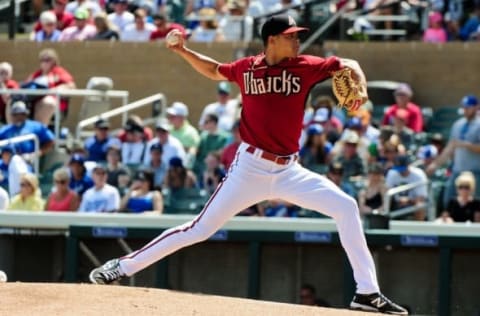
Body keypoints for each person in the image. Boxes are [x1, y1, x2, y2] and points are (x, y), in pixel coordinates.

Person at [89, 15, 408, 315]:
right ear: (271, 40)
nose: (297, 42)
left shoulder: (305, 67)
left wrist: (361, 85)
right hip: (249, 169)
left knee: (347, 206)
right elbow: (215, 70)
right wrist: (182, 50)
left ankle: (366, 292)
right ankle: (122, 266)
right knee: (198, 229)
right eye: (290, 37)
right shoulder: (247, 68)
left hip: (289, 171)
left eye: (298, 37)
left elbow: (349, 64)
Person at [426, 95, 480, 207]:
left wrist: (464, 144)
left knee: (474, 205)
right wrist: (435, 164)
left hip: (476, 172)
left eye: (468, 107)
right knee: (448, 202)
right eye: (464, 107)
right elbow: (450, 148)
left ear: (476, 107)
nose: (465, 110)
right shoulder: (458, 124)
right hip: (457, 170)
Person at [24, 48, 76, 124]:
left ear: (54, 61)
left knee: (47, 102)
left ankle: (39, 132)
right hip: (33, 102)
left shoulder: (58, 71)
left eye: (47, 60)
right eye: (42, 60)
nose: (44, 62)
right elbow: (26, 86)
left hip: (53, 105)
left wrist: (52, 91)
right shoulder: (37, 74)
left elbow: (71, 86)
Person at [385, 155, 428, 221]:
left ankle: (417, 228)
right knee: (385, 205)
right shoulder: (392, 173)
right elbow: (387, 191)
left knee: (420, 206)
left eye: (402, 169)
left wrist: (408, 200)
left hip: (412, 203)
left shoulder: (418, 174)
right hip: (395, 203)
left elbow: (421, 198)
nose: (401, 172)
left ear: (408, 165)